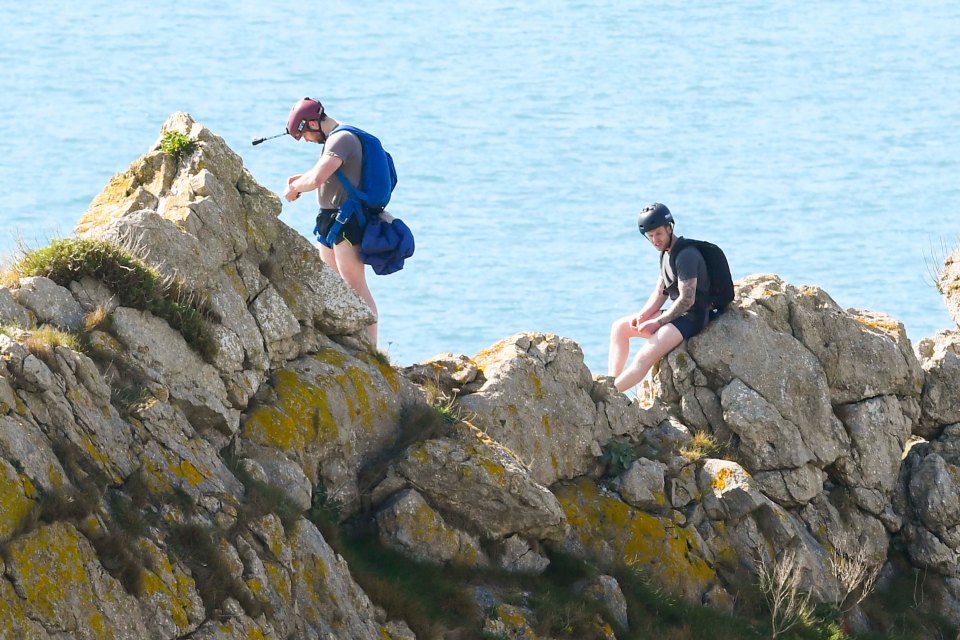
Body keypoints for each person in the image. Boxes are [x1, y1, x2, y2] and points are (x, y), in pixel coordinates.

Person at [282, 97, 379, 345]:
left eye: (304, 133)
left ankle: (372, 348)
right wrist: (302, 179)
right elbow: (320, 175)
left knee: (355, 285)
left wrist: (295, 187)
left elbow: (316, 179)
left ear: (313, 123)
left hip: (347, 222)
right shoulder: (334, 140)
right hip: (329, 220)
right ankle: (348, 340)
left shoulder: (341, 139)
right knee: (334, 284)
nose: (306, 139)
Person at [607, 203, 712, 392]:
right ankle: (609, 382)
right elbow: (660, 292)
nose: (655, 240)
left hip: (691, 319)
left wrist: (657, 323)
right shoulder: (666, 253)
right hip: (677, 316)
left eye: (658, 234)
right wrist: (643, 315)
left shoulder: (686, 256)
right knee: (620, 328)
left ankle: (610, 395)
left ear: (669, 229)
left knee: (643, 357)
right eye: (650, 236)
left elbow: (687, 299)